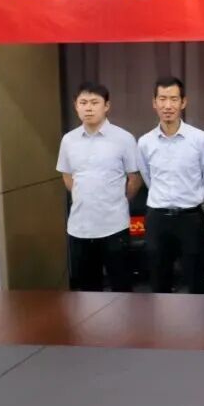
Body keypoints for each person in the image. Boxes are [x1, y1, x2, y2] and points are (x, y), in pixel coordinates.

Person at [56, 81, 142, 292]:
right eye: (83, 102)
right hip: (80, 228)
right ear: (76, 106)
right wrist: (85, 196)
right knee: (87, 292)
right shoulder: (68, 140)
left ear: (107, 106)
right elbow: (67, 176)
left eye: (95, 102)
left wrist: (116, 200)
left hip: (115, 226)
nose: (88, 108)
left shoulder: (124, 138)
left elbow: (134, 179)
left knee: (122, 289)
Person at [137, 76, 204, 294]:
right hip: (157, 218)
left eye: (173, 99)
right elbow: (147, 177)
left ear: (183, 102)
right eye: (162, 99)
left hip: (190, 217)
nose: (168, 105)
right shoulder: (145, 142)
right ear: (154, 103)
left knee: (196, 281)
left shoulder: (201, 139)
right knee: (158, 281)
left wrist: (193, 194)